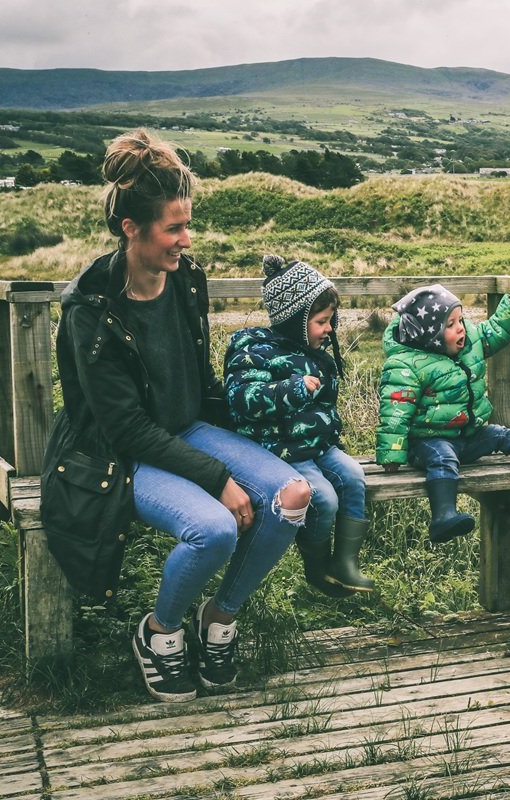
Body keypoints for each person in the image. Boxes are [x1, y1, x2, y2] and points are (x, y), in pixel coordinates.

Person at [41, 130, 311, 703]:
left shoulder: (186, 279)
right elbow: (125, 428)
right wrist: (219, 478)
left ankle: (219, 617)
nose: (185, 240)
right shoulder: (91, 310)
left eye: (188, 226)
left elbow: (200, 378)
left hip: (187, 431)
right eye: (173, 228)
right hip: (121, 454)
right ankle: (160, 632)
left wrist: (243, 447)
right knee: (211, 528)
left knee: (291, 495)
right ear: (130, 229)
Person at [376, 277, 510, 542]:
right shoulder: (407, 365)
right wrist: (391, 455)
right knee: (443, 457)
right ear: (430, 336)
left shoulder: (468, 342)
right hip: (427, 441)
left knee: (499, 434)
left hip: (465, 435)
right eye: (450, 325)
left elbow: (492, 333)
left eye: (461, 320)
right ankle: (443, 517)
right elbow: (395, 413)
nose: (461, 329)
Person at [223, 255, 371, 596]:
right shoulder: (254, 351)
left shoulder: (314, 351)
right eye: (321, 321)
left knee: (353, 477)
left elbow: (324, 409)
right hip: (282, 449)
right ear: (294, 320)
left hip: (317, 446)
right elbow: (242, 399)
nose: (329, 329)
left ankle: (346, 564)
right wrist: (291, 389)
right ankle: (317, 568)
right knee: (325, 499)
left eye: (330, 320)